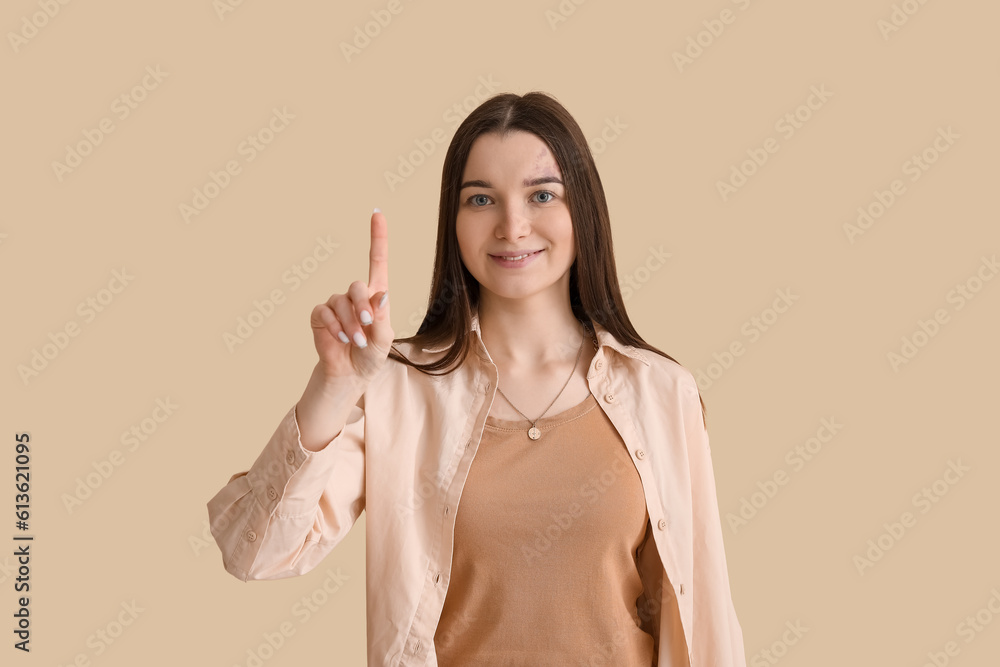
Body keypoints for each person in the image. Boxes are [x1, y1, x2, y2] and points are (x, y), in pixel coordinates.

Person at [207, 91, 747, 666]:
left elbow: (702, 613)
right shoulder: (399, 390)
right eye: (481, 199)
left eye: (542, 195)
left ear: (582, 211)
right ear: (454, 222)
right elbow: (254, 552)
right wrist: (334, 385)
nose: (512, 226)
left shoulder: (662, 392)